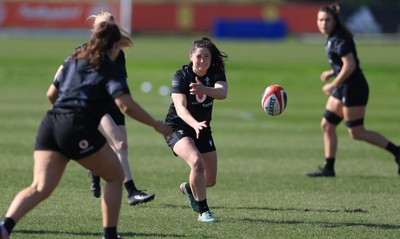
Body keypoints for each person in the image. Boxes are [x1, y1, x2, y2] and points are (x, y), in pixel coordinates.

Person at [0, 22, 170, 239]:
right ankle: (110, 235)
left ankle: (5, 227)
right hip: (76, 126)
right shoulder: (111, 67)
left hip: (51, 124)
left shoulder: (76, 59)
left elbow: (51, 93)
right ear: (116, 45)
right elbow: (125, 105)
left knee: (39, 187)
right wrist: (157, 124)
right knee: (116, 176)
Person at [47, 11, 155, 205]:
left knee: (122, 146)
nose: (108, 28)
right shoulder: (82, 51)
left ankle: (96, 169)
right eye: (103, 25)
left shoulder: (118, 52)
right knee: (118, 142)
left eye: (111, 24)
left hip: (111, 103)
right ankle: (131, 191)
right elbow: (57, 81)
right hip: (94, 104)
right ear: (95, 30)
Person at [306, 4, 400, 177]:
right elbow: (342, 65)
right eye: (320, 20)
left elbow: (350, 65)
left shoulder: (339, 39)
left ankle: (397, 152)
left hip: (354, 88)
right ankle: (329, 167)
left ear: (335, 21)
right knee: (327, 125)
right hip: (343, 87)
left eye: (327, 20)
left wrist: (333, 84)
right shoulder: (332, 37)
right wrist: (332, 72)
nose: (323, 23)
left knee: (357, 132)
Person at [164, 37, 228, 222]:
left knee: (209, 181)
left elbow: (222, 93)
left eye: (206, 57)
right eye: (199, 56)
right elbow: (180, 108)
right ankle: (204, 211)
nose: (202, 61)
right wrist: (194, 123)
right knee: (196, 162)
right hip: (177, 127)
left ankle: (189, 189)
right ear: (191, 56)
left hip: (202, 128)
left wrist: (203, 88)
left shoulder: (216, 73)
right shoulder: (181, 76)